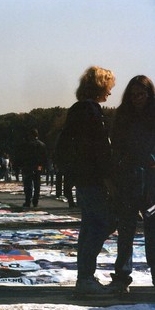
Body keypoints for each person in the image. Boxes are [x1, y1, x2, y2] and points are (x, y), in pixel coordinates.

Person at [56, 66, 116, 295]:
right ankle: (86, 277)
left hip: (84, 178)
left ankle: (85, 276)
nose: (110, 92)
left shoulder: (80, 109)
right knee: (104, 222)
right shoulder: (90, 111)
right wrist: (107, 178)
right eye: (109, 86)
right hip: (93, 179)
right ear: (100, 85)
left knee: (90, 225)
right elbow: (97, 149)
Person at [109, 75, 155, 293]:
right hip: (128, 180)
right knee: (125, 230)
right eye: (133, 95)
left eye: (141, 94)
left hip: (152, 183)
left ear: (149, 94)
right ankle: (121, 277)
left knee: (153, 231)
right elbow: (116, 147)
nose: (137, 99)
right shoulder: (122, 117)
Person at [20, 129, 47, 207]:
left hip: (29, 166)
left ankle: (28, 201)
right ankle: (35, 201)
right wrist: (42, 167)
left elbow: (25, 157)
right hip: (38, 166)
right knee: (37, 184)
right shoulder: (42, 144)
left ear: (31, 135)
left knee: (28, 185)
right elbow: (45, 157)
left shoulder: (28, 145)